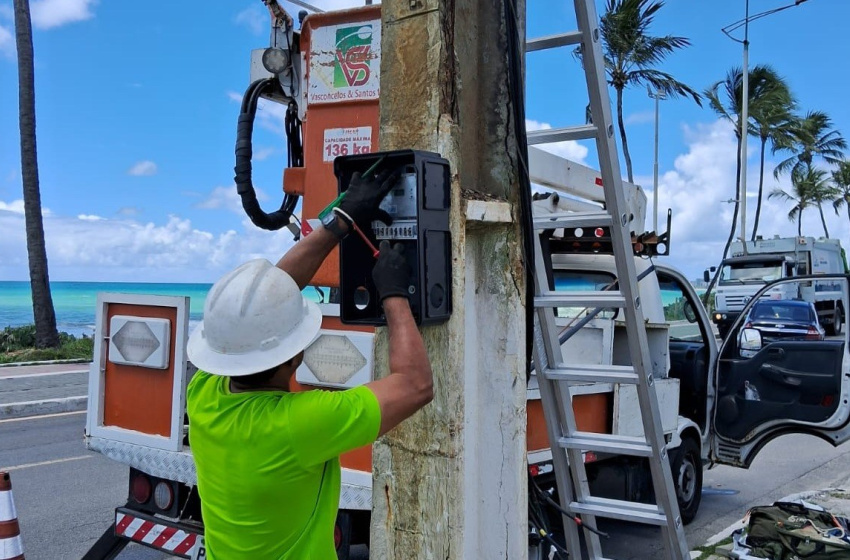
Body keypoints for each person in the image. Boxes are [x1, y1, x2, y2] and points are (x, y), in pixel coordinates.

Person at [185, 169, 434, 559]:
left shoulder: (203, 394)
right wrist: (395, 294)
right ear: (296, 354)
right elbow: (416, 384)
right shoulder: (299, 426)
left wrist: (342, 221)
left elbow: (262, 303)